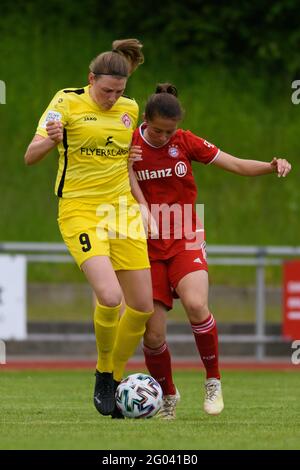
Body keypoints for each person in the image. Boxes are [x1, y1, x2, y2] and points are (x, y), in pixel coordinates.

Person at [129, 83, 292, 419]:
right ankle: (168, 395)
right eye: (157, 130)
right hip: (144, 242)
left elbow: (232, 163)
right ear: (145, 120)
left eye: (169, 131)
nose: (163, 137)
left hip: (186, 233)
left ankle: (213, 380)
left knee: (196, 303)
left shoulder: (185, 141)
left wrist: (269, 165)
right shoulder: (128, 143)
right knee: (153, 332)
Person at [24, 39, 154, 419]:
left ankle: (113, 376)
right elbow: (29, 157)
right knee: (111, 296)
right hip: (80, 211)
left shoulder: (130, 109)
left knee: (143, 307)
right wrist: (50, 141)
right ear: (90, 79)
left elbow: (126, 166)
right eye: (107, 90)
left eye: (121, 91)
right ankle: (102, 373)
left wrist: (144, 206)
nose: (114, 98)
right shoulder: (65, 102)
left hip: (122, 212)